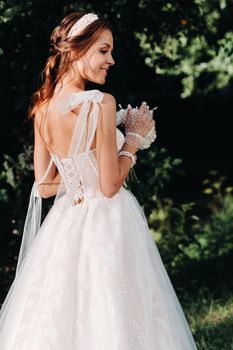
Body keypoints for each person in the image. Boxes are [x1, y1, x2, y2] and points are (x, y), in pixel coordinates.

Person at [0, 12, 198, 349]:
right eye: (103, 51)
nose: (112, 60)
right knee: (117, 308)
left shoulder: (43, 108)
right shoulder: (100, 102)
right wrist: (134, 140)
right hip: (109, 222)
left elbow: (45, 185)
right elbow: (109, 186)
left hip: (67, 220)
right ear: (77, 51)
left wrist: (81, 181)